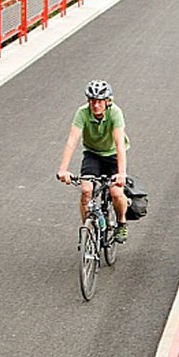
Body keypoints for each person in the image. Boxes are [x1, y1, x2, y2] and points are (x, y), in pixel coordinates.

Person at [56, 79, 130, 242]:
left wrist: (121, 174)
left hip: (112, 155)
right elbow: (71, 141)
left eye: (99, 102)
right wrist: (63, 169)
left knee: (116, 193)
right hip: (93, 154)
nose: (95, 106)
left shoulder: (115, 113)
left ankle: (121, 223)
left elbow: (119, 145)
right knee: (86, 191)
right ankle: (87, 230)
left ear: (107, 101)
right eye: (92, 101)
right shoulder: (82, 113)